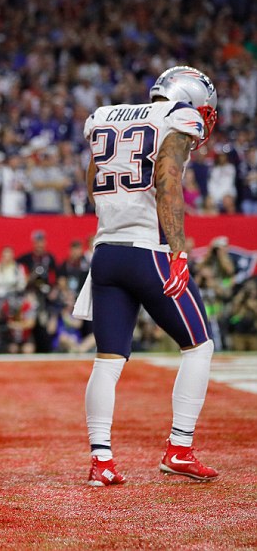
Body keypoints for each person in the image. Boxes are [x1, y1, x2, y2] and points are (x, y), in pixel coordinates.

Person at [75, 65, 220, 487]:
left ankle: (101, 459)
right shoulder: (178, 117)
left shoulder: (104, 115)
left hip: (106, 252)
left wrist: (111, 220)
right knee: (199, 345)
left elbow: (93, 177)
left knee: (109, 358)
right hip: (149, 251)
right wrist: (177, 249)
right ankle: (180, 448)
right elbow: (167, 176)